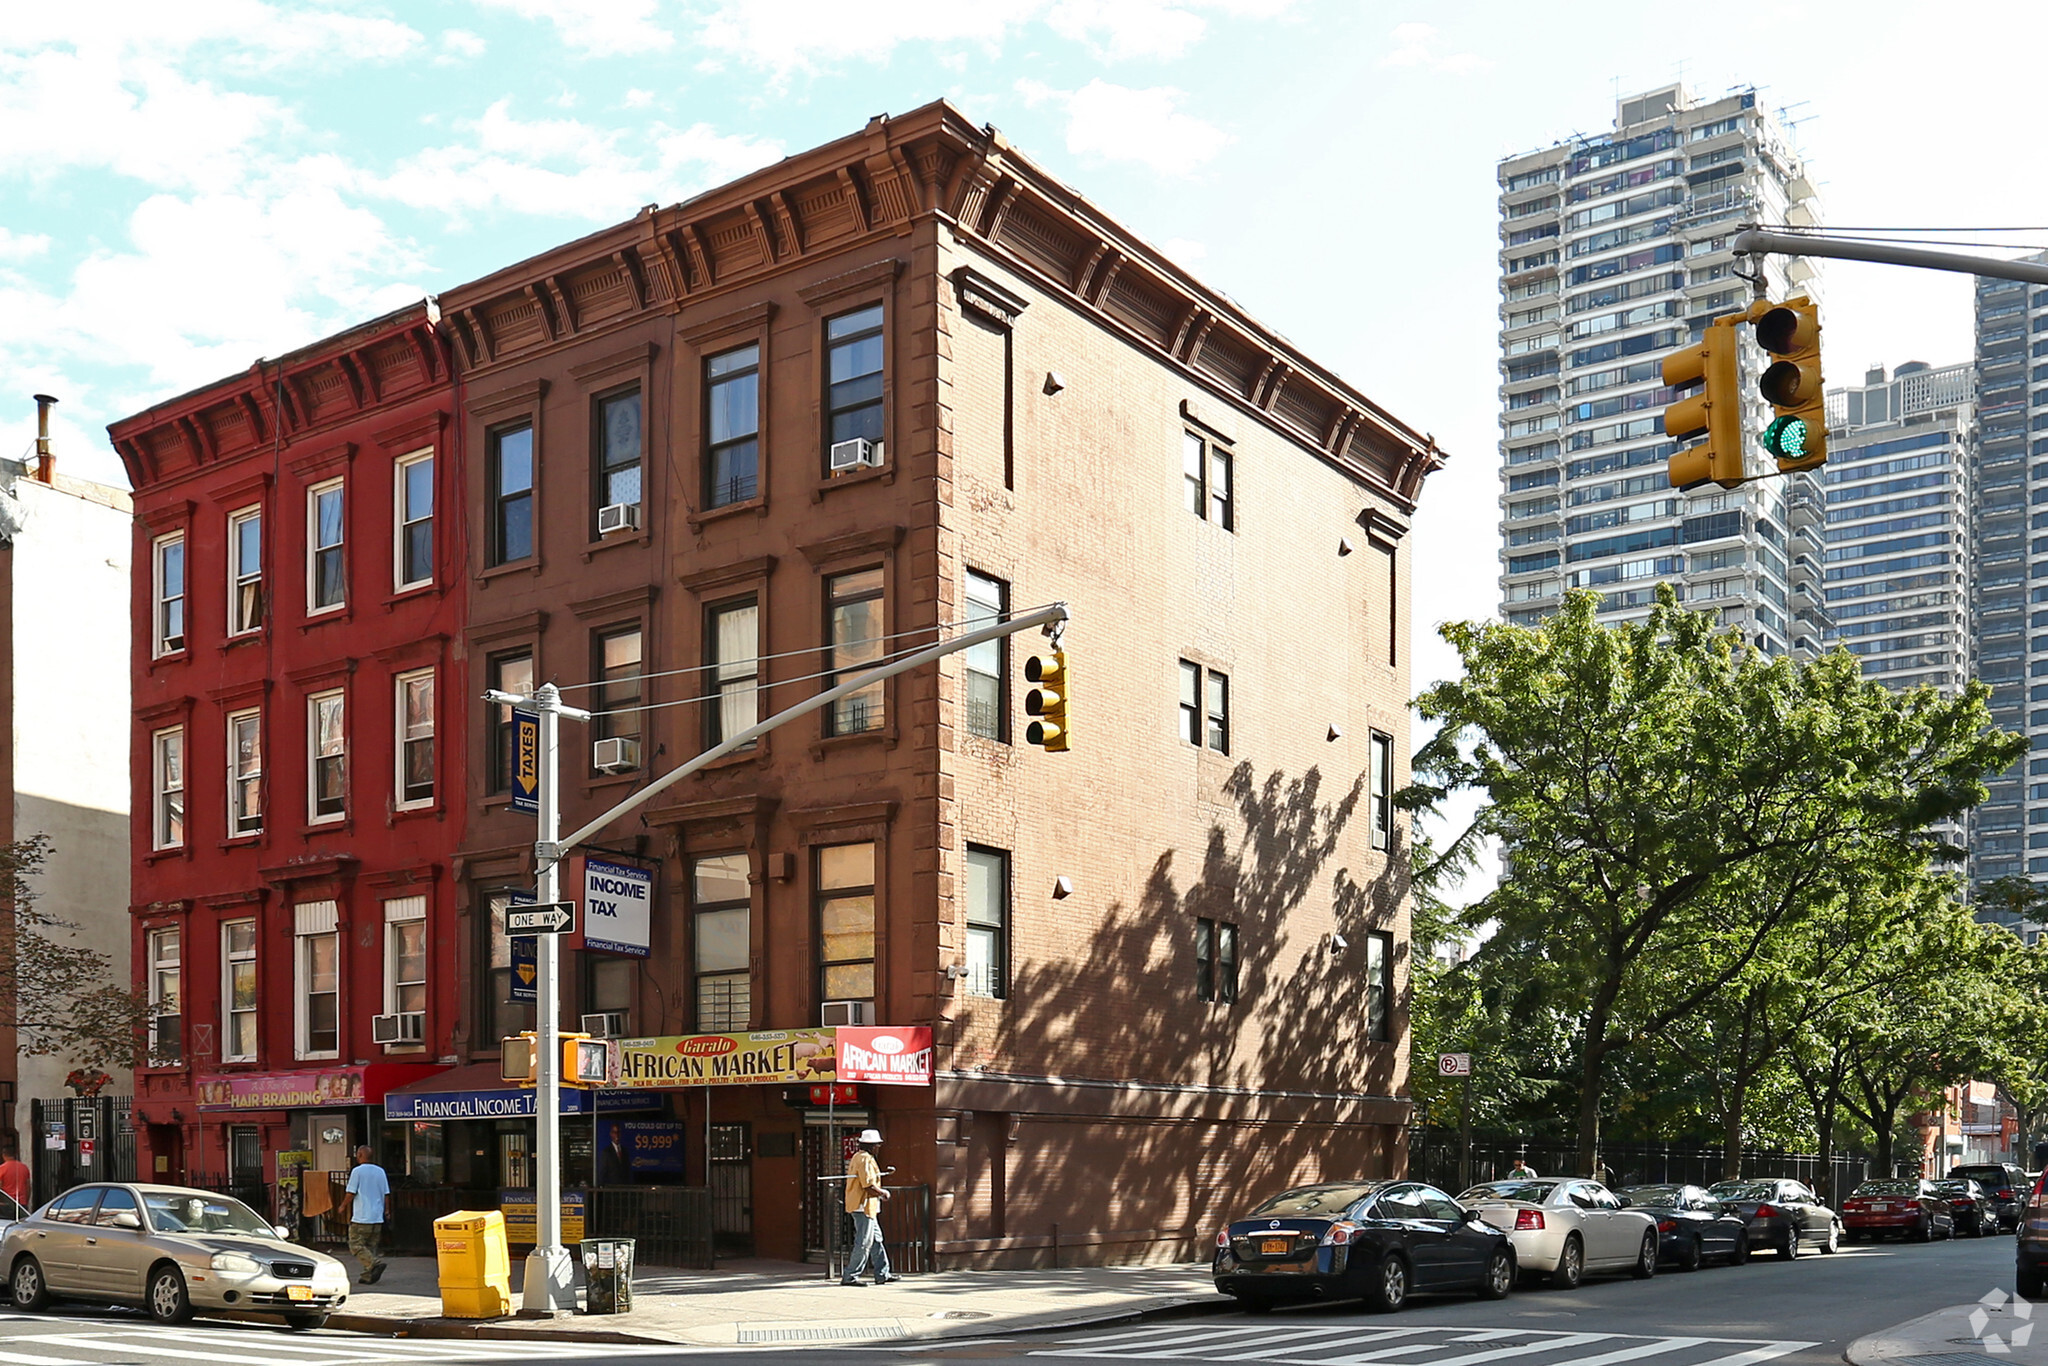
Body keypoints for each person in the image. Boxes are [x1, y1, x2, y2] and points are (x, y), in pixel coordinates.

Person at [841, 1128, 898, 1287]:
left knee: (876, 1240)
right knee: (864, 1242)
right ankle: (850, 1276)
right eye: (877, 1145)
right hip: (863, 1206)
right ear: (871, 1145)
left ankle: (882, 1274)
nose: (878, 1147)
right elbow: (867, 1185)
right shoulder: (865, 1159)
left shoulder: (858, 1157)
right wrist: (882, 1193)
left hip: (868, 1207)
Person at [337, 1144, 390, 1284]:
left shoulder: (357, 1171)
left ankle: (374, 1264)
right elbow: (386, 1194)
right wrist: (386, 1210)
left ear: (360, 1155)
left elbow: (351, 1192)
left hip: (362, 1215)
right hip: (377, 1216)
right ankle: (368, 1275)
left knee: (356, 1244)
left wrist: (342, 1205)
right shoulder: (380, 1171)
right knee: (370, 1246)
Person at [0, 1142, 29, 1217]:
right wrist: (26, 1200)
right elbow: (28, 1187)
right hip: (21, 1204)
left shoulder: (2, 1169)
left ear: (3, 1155)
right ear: (15, 1154)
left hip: (6, 1205)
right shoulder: (24, 1168)